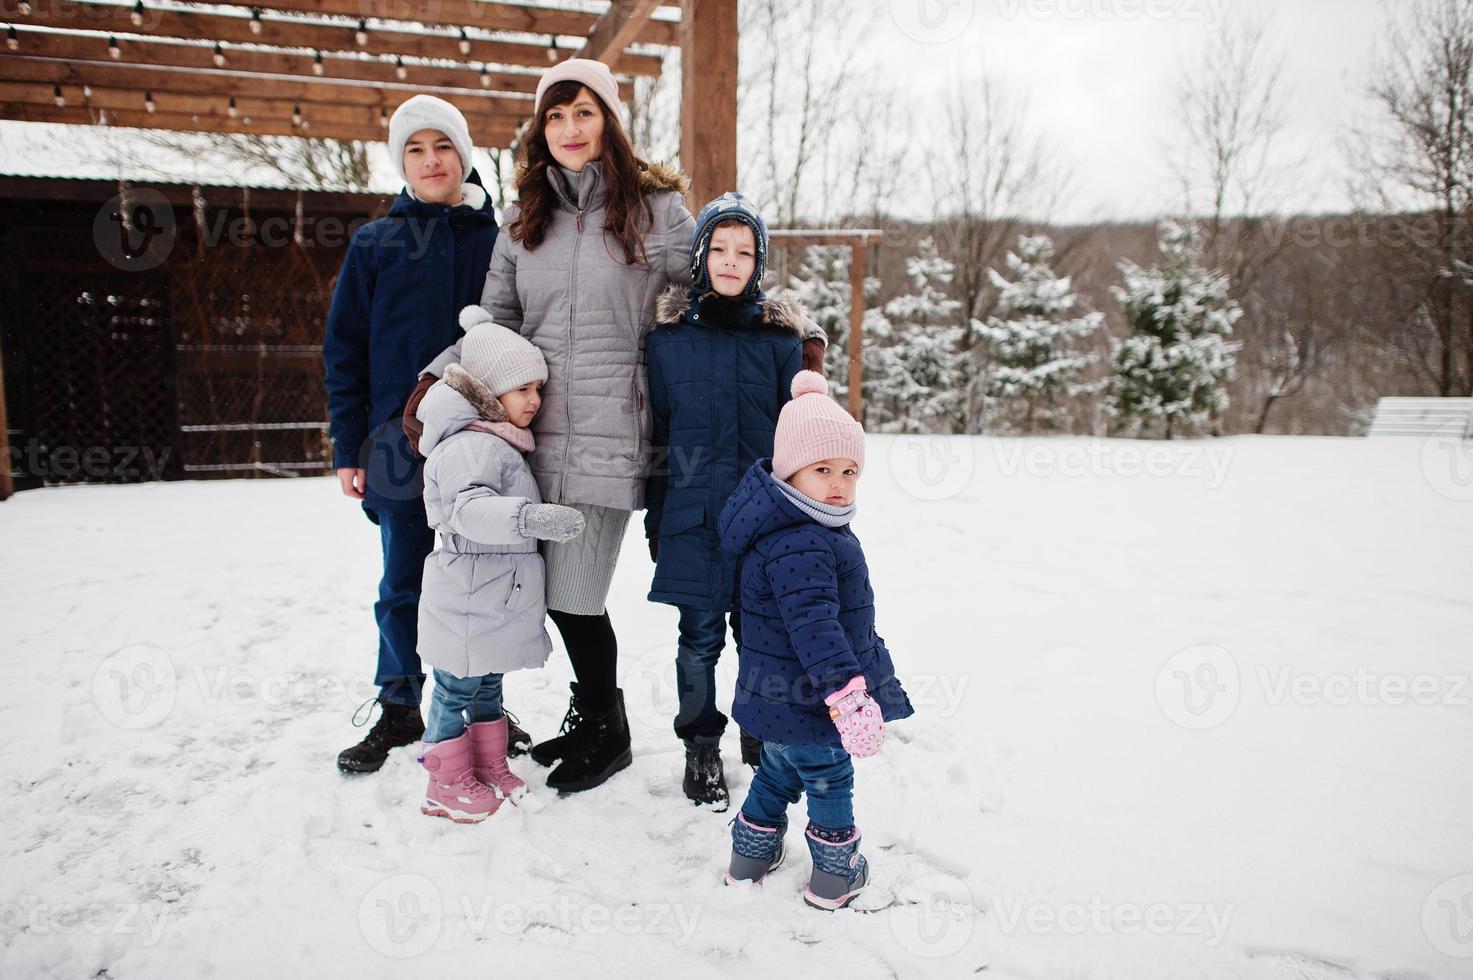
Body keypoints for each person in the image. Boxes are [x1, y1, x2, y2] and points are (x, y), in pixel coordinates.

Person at [405, 59, 825, 793]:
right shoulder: (521, 217)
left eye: (584, 113)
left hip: (610, 433)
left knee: (574, 594)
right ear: (541, 131)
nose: (569, 129)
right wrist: (439, 377)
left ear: (607, 122)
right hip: (527, 432)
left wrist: (798, 335)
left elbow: (719, 280)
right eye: (556, 116)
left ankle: (608, 723)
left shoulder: (655, 211)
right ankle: (581, 713)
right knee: (532, 588)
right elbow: (495, 326)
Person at [323, 95, 530, 774]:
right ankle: (400, 704)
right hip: (393, 444)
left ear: (464, 156)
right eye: (415, 149)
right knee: (402, 579)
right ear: (401, 162)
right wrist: (348, 444)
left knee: (487, 574)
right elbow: (344, 348)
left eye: (442, 146)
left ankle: (483, 705)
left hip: (485, 443)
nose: (431, 160)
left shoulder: (499, 242)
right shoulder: (375, 244)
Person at [716, 371, 914, 910]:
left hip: (776, 701)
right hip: (813, 702)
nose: (838, 484)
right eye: (822, 469)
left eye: (849, 471)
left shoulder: (793, 529)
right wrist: (848, 698)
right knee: (829, 780)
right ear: (788, 472)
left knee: (777, 772)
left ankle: (749, 856)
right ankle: (835, 874)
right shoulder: (805, 542)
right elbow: (817, 630)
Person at [644, 192, 808, 810]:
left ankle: (759, 733)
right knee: (699, 638)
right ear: (700, 256)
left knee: (761, 635)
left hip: (765, 521)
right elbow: (658, 433)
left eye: (745, 251)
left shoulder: (777, 341)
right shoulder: (666, 342)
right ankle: (699, 744)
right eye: (719, 248)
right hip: (692, 516)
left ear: (759, 262)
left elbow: (796, 435)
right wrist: (659, 516)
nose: (731, 261)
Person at [413, 309, 586, 821]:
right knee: (455, 685)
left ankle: (487, 762)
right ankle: (443, 781)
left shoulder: (496, 440)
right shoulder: (470, 445)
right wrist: (529, 516)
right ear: (487, 394)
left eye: (539, 388)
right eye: (522, 390)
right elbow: (467, 511)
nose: (535, 400)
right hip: (468, 589)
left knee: (486, 680)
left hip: (486, 589)